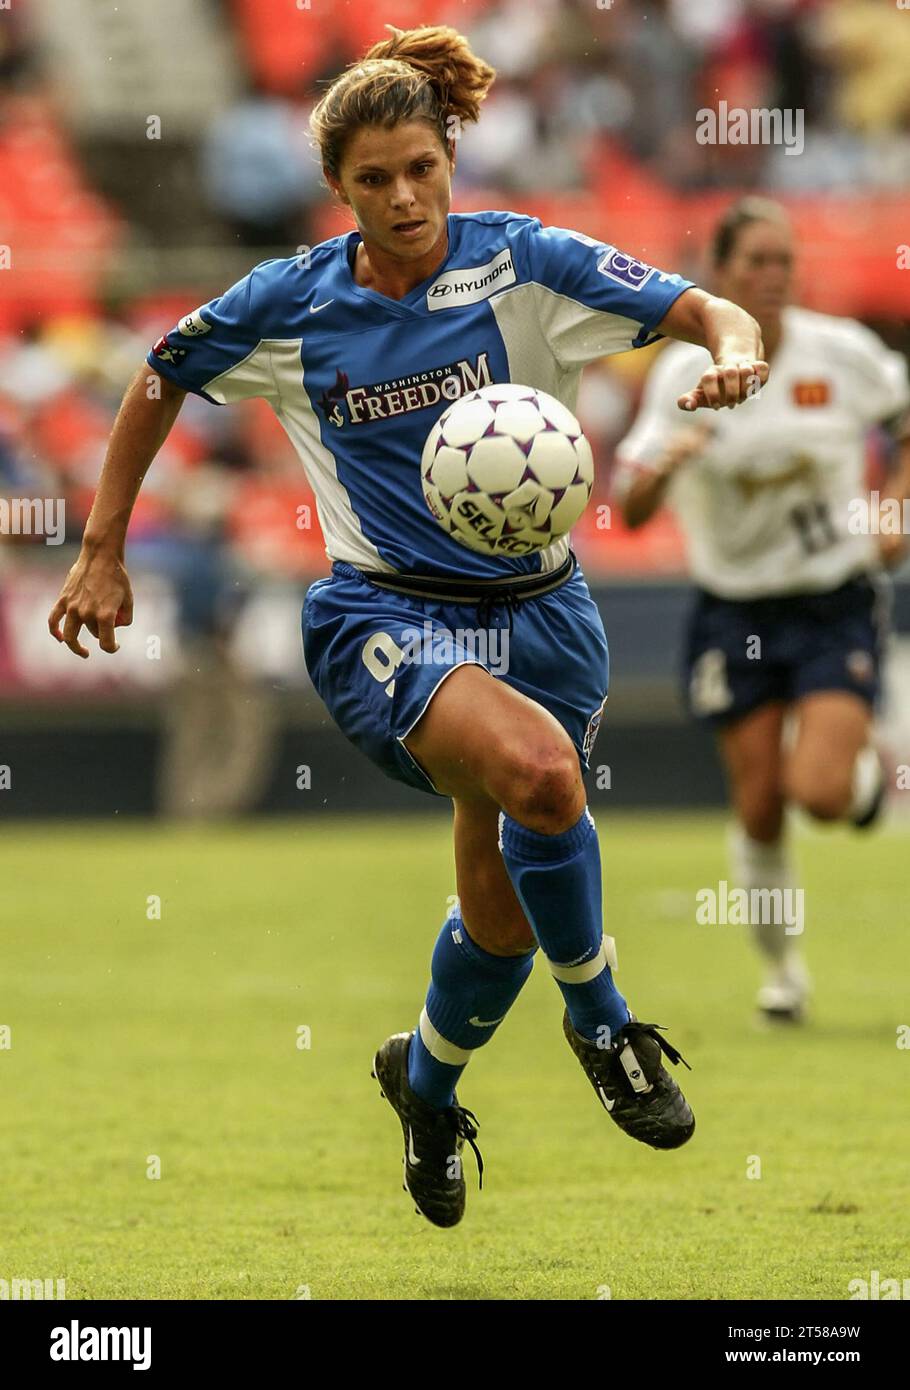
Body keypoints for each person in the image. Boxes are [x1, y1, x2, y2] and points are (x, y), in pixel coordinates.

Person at [48, 25, 768, 1228]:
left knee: (502, 914)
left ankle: (423, 1085)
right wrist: (102, 544)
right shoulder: (292, 302)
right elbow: (160, 371)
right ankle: (603, 1027)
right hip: (383, 616)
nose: (402, 196)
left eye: (420, 168)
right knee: (545, 778)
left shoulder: (526, 260)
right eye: (372, 179)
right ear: (339, 189)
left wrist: (736, 350)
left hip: (546, 616)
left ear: (450, 157)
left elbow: (705, 308)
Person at [613, 196, 910, 1024]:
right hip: (731, 607)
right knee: (757, 804)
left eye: (784, 262)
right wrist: (668, 467)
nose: (773, 277)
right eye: (755, 264)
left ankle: (856, 792)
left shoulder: (844, 354)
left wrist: (895, 511)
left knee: (815, 791)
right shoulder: (679, 375)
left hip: (831, 599)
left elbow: (904, 423)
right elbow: (629, 505)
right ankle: (782, 976)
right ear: (720, 273)